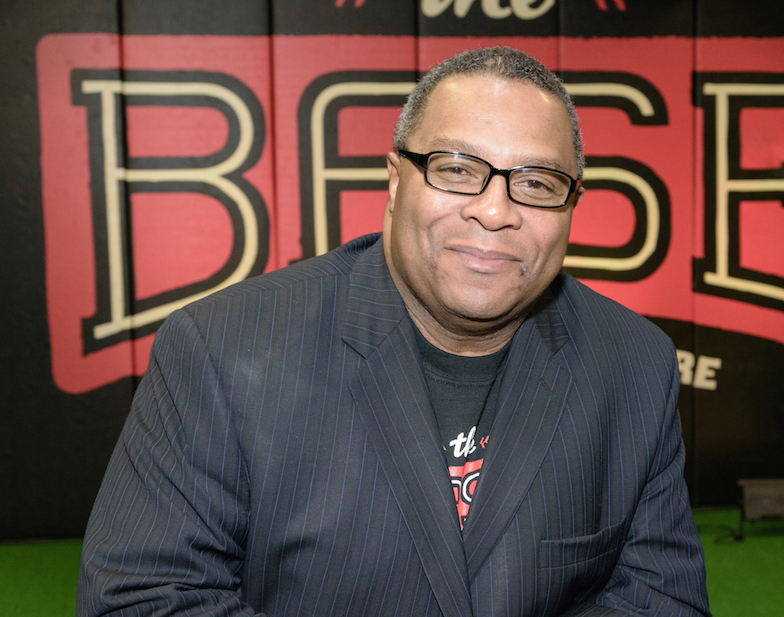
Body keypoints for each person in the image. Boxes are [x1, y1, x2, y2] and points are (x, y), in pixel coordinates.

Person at [78, 47, 710, 617]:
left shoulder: (635, 363)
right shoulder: (221, 347)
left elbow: (661, 600)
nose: (494, 211)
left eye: (537, 183)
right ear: (394, 178)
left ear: (571, 205)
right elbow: (144, 599)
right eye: (456, 168)